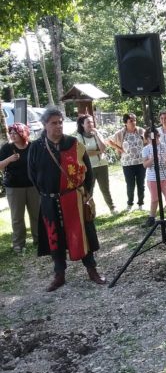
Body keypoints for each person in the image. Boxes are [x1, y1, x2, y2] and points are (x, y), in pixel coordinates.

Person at [28, 108, 105, 292]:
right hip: (50, 201)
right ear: (45, 125)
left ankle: (92, 270)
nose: (58, 125)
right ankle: (59, 275)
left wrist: (86, 194)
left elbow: (88, 171)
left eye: (60, 122)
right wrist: (49, 195)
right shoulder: (36, 147)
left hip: (75, 200)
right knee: (55, 237)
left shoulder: (74, 144)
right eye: (54, 122)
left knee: (83, 234)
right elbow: (32, 175)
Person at [0, 123, 39, 254]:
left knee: (36, 214)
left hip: (33, 186)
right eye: (10, 133)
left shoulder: (33, 146)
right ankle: (18, 244)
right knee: (17, 217)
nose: (12, 135)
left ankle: (38, 240)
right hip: (14, 187)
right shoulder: (7, 148)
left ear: (23, 133)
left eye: (14, 133)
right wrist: (9, 160)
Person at [74, 114, 116, 214]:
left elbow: (103, 148)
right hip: (89, 167)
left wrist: (97, 135)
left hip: (102, 165)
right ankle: (89, 210)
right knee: (89, 189)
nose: (91, 124)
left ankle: (112, 208)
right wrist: (98, 152)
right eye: (88, 122)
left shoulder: (97, 133)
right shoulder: (79, 137)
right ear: (82, 124)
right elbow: (84, 153)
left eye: (92, 122)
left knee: (105, 188)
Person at [107, 113, 146, 211]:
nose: (133, 122)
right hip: (127, 164)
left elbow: (148, 141)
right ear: (125, 123)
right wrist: (119, 149)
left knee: (141, 184)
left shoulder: (141, 131)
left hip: (141, 162)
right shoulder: (121, 133)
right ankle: (130, 203)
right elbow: (108, 141)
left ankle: (141, 203)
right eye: (131, 121)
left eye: (134, 120)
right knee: (130, 184)